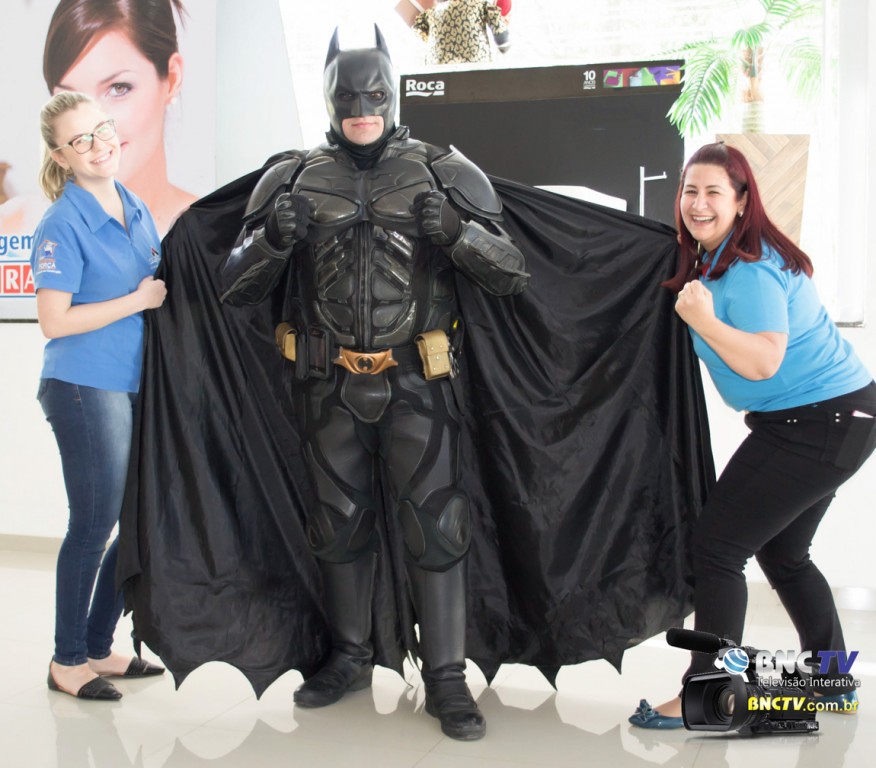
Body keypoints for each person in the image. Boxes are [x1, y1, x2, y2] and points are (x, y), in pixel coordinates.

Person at [219, 26, 527, 741]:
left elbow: (512, 273)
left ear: (394, 94)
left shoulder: (443, 171)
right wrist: (272, 241)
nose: (362, 109)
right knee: (337, 527)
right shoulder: (291, 178)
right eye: (348, 97)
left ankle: (445, 676)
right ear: (328, 98)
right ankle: (350, 657)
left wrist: (458, 233)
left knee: (438, 527)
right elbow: (235, 287)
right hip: (326, 384)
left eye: (375, 95)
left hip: (418, 380)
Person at [630, 142, 876, 728]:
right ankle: (833, 681)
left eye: (714, 192)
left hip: (821, 421)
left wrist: (703, 319)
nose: (698, 203)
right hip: (833, 419)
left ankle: (707, 695)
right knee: (784, 553)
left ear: (742, 201)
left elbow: (765, 361)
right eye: (690, 191)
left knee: (718, 546)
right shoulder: (716, 259)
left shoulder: (751, 267)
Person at [32, 91, 167, 700]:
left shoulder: (134, 204)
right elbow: (54, 321)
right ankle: (67, 661)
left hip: (134, 383)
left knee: (134, 518)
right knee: (93, 524)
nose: (98, 144)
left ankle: (96, 645)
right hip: (85, 386)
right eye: (80, 140)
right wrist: (138, 300)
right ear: (61, 156)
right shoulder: (62, 223)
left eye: (102, 129)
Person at [43, 0, 193, 237]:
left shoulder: (219, 235)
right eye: (70, 100)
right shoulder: (22, 228)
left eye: (118, 88)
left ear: (172, 78)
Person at [413, 0, 511, 65]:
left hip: (438, 71)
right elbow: (500, 33)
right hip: (475, 66)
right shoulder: (479, 5)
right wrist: (504, 45)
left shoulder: (431, 12)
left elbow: (418, 28)